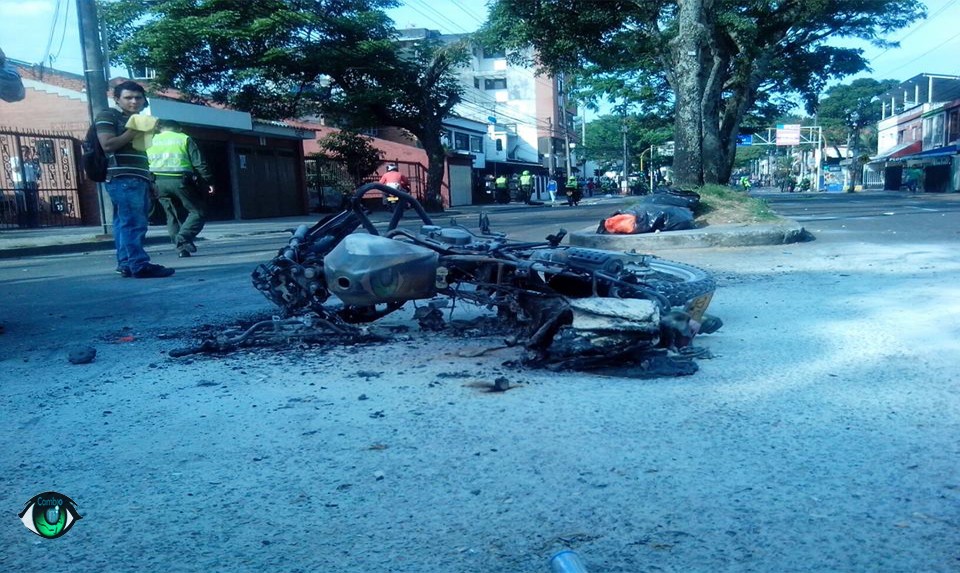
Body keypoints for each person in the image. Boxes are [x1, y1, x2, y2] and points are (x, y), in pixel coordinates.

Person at [97, 80, 174, 278]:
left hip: (138, 177)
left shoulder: (138, 119)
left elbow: (141, 154)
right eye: (128, 98)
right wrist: (134, 130)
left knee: (124, 223)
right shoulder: (109, 115)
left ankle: (126, 264)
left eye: (138, 97)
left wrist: (150, 179)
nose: (134, 101)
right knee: (134, 222)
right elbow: (108, 145)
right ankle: (139, 265)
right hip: (122, 176)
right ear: (117, 99)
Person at [147, 120, 215, 258]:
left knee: (172, 215)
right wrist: (208, 181)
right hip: (181, 181)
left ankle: (182, 250)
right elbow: (199, 163)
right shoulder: (183, 138)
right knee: (198, 211)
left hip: (158, 182)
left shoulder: (151, 140)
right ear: (178, 128)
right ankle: (183, 238)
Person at [9, 146, 41, 228]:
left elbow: (38, 172)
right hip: (19, 183)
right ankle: (22, 223)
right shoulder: (15, 159)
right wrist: (23, 161)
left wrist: (36, 164)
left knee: (32, 203)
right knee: (21, 203)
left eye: (27, 151)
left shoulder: (32, 162)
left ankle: (33, 223)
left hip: (31, 182)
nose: (25, 153)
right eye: (23, 151)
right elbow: (15, 169)